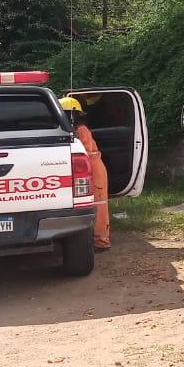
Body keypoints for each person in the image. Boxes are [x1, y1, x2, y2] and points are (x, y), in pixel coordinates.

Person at [60, 96, 110, 251]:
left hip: (94, 169)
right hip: (92, 167)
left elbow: (82, 153)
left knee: (99, 206)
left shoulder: (80, 130)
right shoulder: (76, 129)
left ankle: (102, 241)